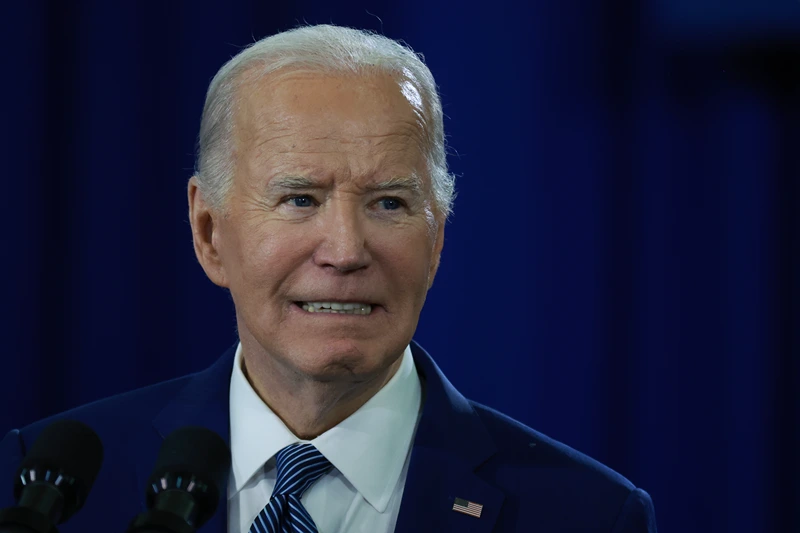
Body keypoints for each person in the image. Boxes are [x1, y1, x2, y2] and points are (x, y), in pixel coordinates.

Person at [0, 25, 657, 532]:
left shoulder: (587, 513)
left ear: (437, 239)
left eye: (389, 203)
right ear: (209, 233)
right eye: (300, 199)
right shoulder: (48, 488)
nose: (345, 251)